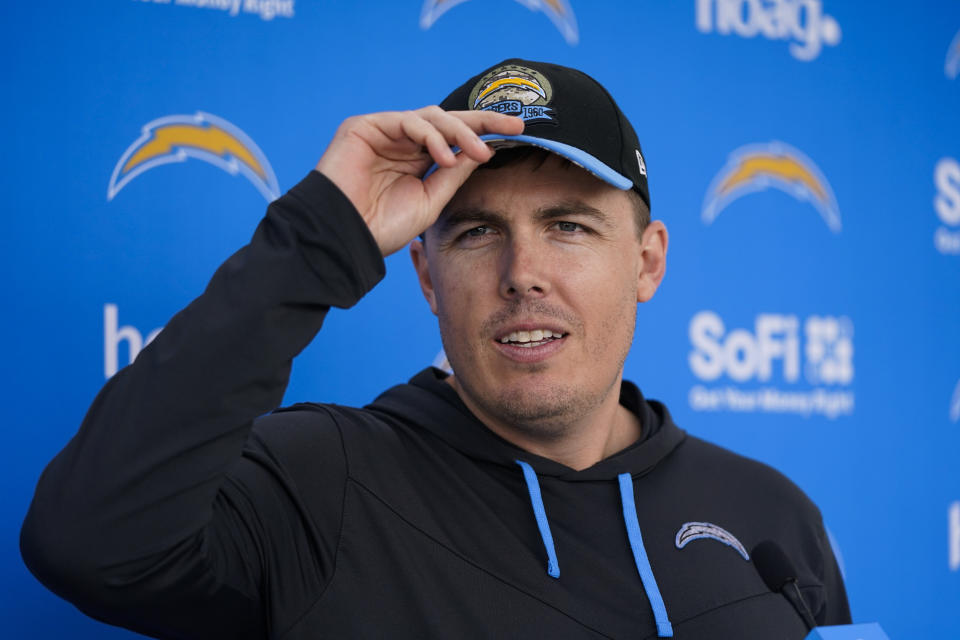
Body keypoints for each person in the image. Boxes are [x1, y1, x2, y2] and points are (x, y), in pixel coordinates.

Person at [21, 59, 850, 638]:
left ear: (646, 261)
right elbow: (90, 547)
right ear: (423, 272)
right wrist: (319, 238)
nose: (523, 274)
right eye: (478, 233)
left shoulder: (769, 513)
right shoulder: (323, 481)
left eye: (568, 226)